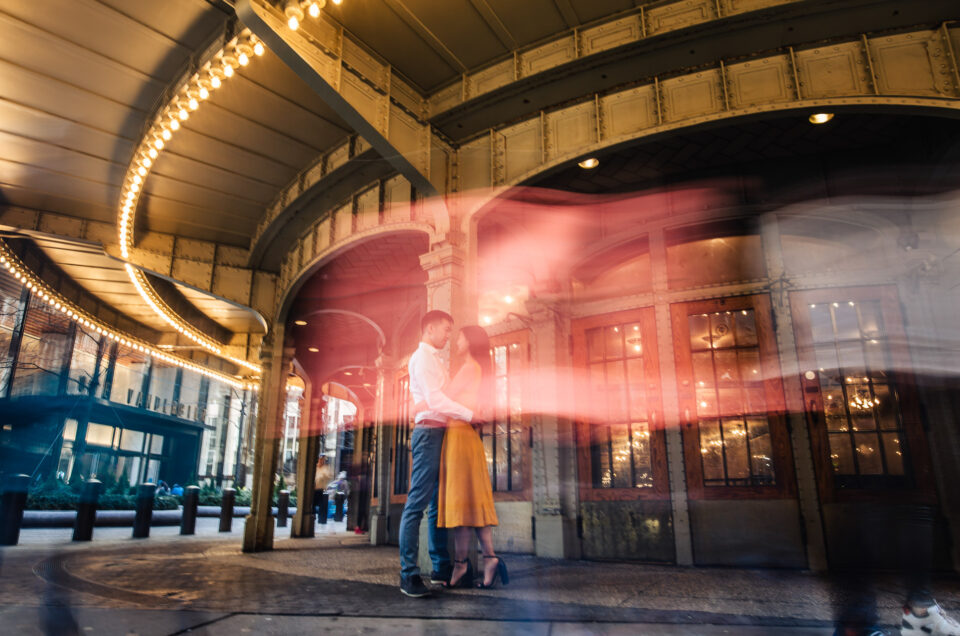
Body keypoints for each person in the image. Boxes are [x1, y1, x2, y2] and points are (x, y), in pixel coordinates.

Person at [398, 310, 475, 598]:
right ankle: (408, 576)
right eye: (445, 329)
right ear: (429, 328)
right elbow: (436, 399)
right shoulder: (423, 358)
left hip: (438, 433)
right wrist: (470, 413)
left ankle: (441, 567)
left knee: (435, 504)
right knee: (417, 503)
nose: (448, 335)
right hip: (429, 433)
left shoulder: (432, 359)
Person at [434, 325, 507, 589]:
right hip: (466, 437)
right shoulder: (479, 369)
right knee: (470, 503)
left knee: (462, 502)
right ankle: (484, 559)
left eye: (461, 337)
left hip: (459, 437)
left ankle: (467, 564)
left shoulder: (468, 368)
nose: (457, 341)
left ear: (471, 341)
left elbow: (442, 399)